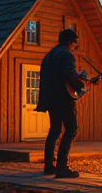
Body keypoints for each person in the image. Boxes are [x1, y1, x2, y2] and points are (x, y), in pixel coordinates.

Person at [35, 29, 85, 178]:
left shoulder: (49, 56)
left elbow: (59, 75)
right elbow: (68, 74)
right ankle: (62, 167)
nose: (75, 46)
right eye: (75, 43)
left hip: (50, 99)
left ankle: (49, 165)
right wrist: (80, 85)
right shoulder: (66, 54)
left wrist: (76, 77)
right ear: (69, 41)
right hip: (64, 99)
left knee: (55, 131)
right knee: (71, 129)